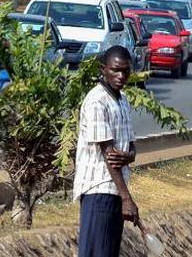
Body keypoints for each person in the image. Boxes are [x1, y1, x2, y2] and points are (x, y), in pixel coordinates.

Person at [75, 46, 138, 257]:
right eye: (115, 70)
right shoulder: (96, 101)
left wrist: (129, 156)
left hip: (116, 190)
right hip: (98, 189)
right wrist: (127, 198)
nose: (121, 76)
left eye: (126, 71)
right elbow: (109, 154)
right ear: (104, 69)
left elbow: (130, 148)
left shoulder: (122, 100)